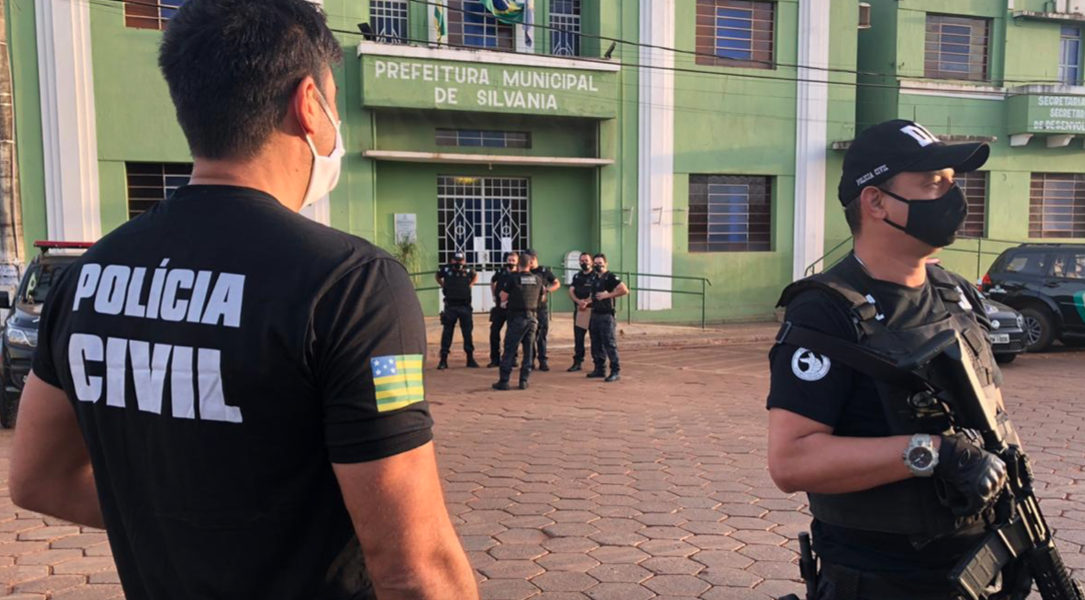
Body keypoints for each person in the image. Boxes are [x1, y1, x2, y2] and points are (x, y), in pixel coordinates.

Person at [7, 1, 479, 599]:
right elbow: (415, 568)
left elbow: (36, 479)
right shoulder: (351, 285)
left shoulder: (88, 276)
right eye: (335, 105)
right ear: (309, 104)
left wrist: (190, 522)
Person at [766, 120, 1018, 600]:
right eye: (932, 184)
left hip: (980, 565)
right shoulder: (825, 310)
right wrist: (933, 452)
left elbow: (993, 419)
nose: (953, 196)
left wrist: (1016, 538)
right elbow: (791, 461)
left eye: (952, 181)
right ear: (876, 202)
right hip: (882, 580)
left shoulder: (958, 295)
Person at [493, 252, 545, 391]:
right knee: (528, 350)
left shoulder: (512, 279)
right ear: (530, 264)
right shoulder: (538, 279)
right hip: (533, 318)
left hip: (517, 318)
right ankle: (523, 381)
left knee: (510, 349)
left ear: (518, 264)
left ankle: (504, 381)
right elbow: (542, 298)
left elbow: (503, 297)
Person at [587, 254, 628, 383]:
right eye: (596, 263)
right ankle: (599, 369)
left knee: (609, 343)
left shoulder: (610, 277)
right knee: (596, 343)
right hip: (595, 313)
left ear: (606, 263)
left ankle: (615, 371)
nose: (598, 265)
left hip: (606, 315)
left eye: (600, 262)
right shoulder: (594, 277)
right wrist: (585, 301)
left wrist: (608, 295)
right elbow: (593, 296)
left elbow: (624, 290)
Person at [435, 251, 479, 370]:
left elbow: (476, 276)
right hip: (451, 306)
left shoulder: (468, 270)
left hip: (465, 306)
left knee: (467, 333)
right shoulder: (446, 270)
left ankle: (470, 358)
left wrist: (470, 285)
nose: (458, 263)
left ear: (464, 261)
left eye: (461, 260)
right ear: (452, 260)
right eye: (456, 260)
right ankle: (443, 360)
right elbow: (437, 276)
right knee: (447, 333)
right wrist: (443, 285)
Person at [525, 249, 560, 372]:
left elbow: (556, 283)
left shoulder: (543, 271)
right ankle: (530, 361)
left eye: (528, 259)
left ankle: (543, 361)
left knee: (541, 335)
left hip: (541, 308)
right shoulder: (525, 271)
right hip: (529, 308)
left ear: (533, 258)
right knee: (529, 337)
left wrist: (548, 290)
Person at [488, 252, 519, 368]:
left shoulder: (519, 273)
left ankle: (512, 358)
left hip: (513, 308)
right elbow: (492, 281)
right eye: (509, 260)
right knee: (494, 332)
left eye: (513, 260)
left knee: (512, 334)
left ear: (517, 261)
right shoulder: (501, 271)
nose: (510, 262)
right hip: (499, 308)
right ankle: (494, 359)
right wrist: (494, 295)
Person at [567, 252, 594, 372]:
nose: (584, 263)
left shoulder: (596, 276)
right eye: (582, 261)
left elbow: (598, 292)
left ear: (591, 262)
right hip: (580, 311)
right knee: (578, 338)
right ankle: (577, 362)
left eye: (586, 260)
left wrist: (586, 302)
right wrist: (579, 302)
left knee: (595, 339)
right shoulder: (577, 276)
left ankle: (598, 364)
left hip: (593, 311)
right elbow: (571, 291)